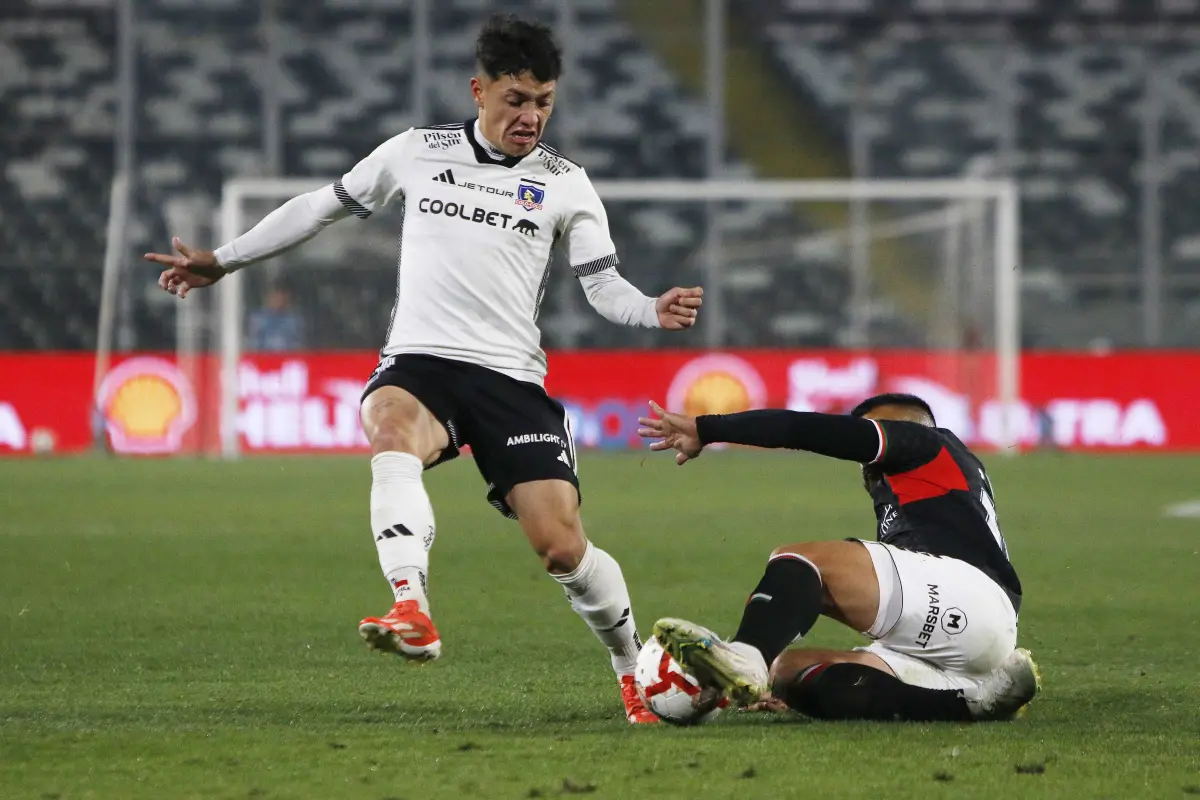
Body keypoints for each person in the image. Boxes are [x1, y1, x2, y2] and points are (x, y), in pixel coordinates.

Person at [144, 14, 704, 724]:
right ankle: (413, 606)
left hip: (509, 379)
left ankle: (631, 671)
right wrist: (221, 260)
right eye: (516, 99)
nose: (529, 116)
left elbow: (602, 284)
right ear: (479, 91)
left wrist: (652, 307)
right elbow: (319, 209)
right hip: (422, 360)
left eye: (543, 102)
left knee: (560, 546)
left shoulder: (566, 184)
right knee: (390, 430)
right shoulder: (416, 152)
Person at [636, 393, 1040, 722]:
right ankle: (972, 702)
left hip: (973, 605)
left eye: (873, 432)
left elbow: (803, 429)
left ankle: (745, 656)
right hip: (965, 644)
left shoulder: (928, 444)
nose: (866, 458)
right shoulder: (929, 489)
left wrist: (708, 428)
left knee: (802, 560)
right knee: (789, 673)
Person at [248, 285, 305, 352]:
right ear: (268, 297)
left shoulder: (293, 320)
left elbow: (298, 345)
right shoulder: (258, 319)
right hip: (262, 358)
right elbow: (253, 343)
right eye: (274, 296)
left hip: (287, 358)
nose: (278, 300)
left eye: (281, 297)